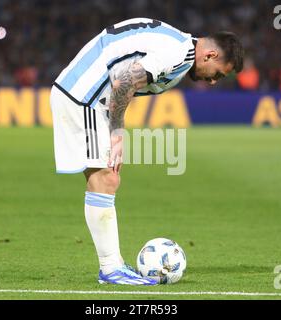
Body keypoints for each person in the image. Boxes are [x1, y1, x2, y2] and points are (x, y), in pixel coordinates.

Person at [50, 18, 243, 285]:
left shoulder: (179, 43)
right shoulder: (177, 53)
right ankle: (110, 268)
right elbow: (122, 83)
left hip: (84, 94)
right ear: (210, 55)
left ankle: (111, 266)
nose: (213, 82)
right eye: (219, 73)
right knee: (106, 178)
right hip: (86, 97)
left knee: (106, 178)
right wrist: (117, 132)